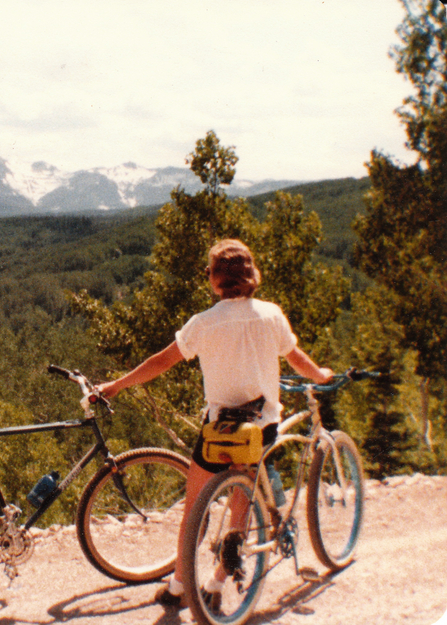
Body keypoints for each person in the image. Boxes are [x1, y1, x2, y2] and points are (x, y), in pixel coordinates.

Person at [98, 239, 333, 609]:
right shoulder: (271, 314)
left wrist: (114, 386)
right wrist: (321, 375)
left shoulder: (203, 324)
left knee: (195, 508)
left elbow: (159, 363)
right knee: (241, 505)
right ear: (251, 275)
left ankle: (177, 587)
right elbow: (297, 359)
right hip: (261, 428)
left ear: (214, 279)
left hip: (218, 430)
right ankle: (217, 583)